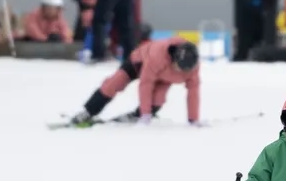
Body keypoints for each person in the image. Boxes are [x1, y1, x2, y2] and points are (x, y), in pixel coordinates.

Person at [67, 37, 200, 127]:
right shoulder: (157, 56)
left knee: (158, 99)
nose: (181, 72)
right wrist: (145, 113)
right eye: (179, 67)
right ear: (173, 58)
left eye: (185, 70)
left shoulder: (192, 69)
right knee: (114, 83)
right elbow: (145, 85)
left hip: (164, 78)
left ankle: (135, 116)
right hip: (140, 63)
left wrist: (193, 119)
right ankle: (88, 111)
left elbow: (193, 93)